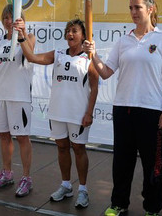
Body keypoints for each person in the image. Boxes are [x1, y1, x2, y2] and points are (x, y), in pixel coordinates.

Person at [83, 0, 162, 216]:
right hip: (123, 108)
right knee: (122, 162)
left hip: (152, 110)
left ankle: (152, 208)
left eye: (138, 7)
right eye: (131, 8)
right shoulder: (123, 41)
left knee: (151, 164)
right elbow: (106, 73)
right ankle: (119, 203)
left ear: (150, 9)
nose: (134, 12)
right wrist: (93, 55)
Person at [21, 18, 98, 208]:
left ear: (83, 35)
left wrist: (89, 113)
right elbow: (32, 57)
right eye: (68, 31)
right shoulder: (58, 54)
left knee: (79, 149)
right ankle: (66, 185)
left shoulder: (89, 57)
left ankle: (83, 189)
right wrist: (22, 36)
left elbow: (95, 88)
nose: (70, 34)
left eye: (75, 31)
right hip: (57, 111)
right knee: (62, 147)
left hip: (78, 113)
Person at [0, 4, 36, 197]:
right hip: (0, 95)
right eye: (6, 18)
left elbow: (30, 55)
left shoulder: (29, 37)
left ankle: (26, 177)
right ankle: (7, 173)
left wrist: (22, 32)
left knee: (22, 137)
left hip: (19, 96)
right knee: (4, 136)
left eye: (12, 18)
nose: (9, 21)